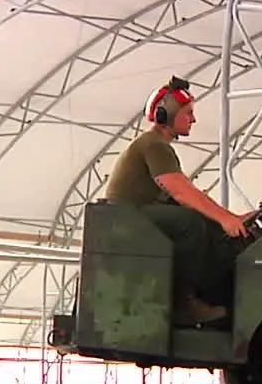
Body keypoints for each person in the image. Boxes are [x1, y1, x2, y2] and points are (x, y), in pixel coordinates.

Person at [103, 76, 254, 326]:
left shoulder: (156, 145)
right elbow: (181, 192)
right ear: (166, 116)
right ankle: (183, 304)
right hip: (127, 217)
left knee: (208, 225)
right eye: (188, 113)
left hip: (134, 215)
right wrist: (225, 218)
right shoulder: (154, 146)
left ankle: (209, 298)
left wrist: (230, 219)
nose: (193, 119)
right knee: (191, 224)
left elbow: (185, 194)